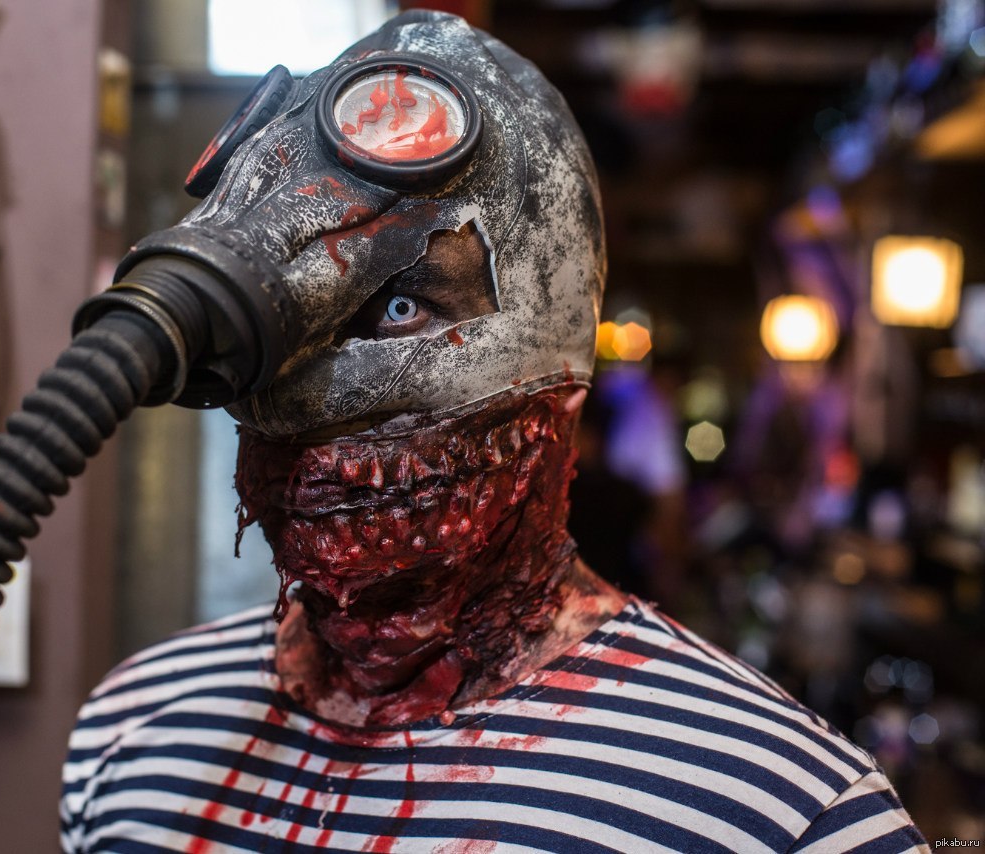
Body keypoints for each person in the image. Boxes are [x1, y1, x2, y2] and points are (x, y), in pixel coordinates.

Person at [61, 11, 926, 852]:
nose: (318, 411)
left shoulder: (784, 813)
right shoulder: (132, 737)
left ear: (562, 391)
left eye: (402, 309)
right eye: (294, 332)